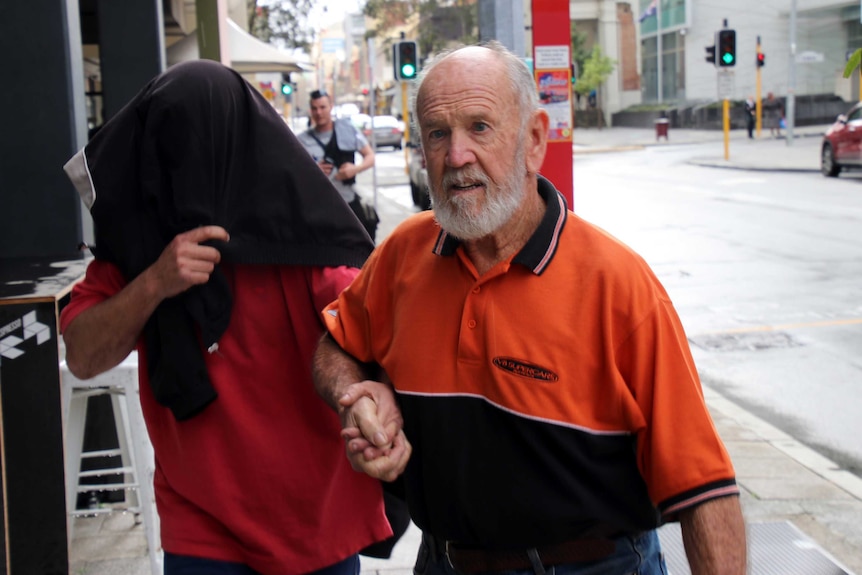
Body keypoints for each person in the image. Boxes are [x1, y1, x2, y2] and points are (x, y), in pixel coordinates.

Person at [311, 41, 747, 575]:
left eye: (480, 127)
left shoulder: (617, 284)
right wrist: (354, 396)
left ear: (534, 138)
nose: (456, 156)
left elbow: (704, 488)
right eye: (438, 133)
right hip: (443, 560)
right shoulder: (403, 254)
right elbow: (335, 345)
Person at [60, 60, 394, 575]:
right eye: (172, 148)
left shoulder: (307, 240)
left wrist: (373, 400)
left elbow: (371, 332)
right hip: (201, 520)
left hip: (315, 517)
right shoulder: (140, 246)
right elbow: (82, 355)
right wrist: (155, 282)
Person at [297, 90, 378, 241]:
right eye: (314, 108)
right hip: (317, 209)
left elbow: (370, 156)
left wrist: (355, 169)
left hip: (348, 204)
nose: (319, 112)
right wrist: (312, 172)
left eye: (322, 107)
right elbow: (291, 173)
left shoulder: (347, 130)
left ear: (331, 107)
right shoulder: (301, 141)